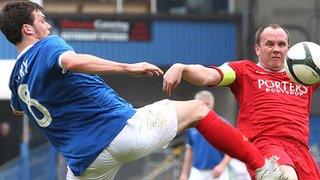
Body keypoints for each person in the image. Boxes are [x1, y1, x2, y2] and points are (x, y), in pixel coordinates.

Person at [0, 2, 284, 179]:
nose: (47, 24)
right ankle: (262, 167)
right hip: (118, 132)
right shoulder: (48, 46)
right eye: (41, 20)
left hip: (83, 162)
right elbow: (73, 61)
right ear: (28, 28)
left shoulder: (16, 81)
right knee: (198, 110)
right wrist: (128, 68)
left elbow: (17, 107)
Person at [163, 23, 320, 180]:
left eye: (281, 44)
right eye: (270, 44)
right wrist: (181, 68)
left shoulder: (305, 75)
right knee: (285, 178)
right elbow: (208, 75)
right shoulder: (243, 70)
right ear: (257, 49)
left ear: (288, 48)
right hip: (266, 145)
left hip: (301, 151)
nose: (276, 49)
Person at [179, 90, 231, 180]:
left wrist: (222, 166)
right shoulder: (191, 127)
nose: (206, 107)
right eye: (203, 104)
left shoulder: (223, 124)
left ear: (212, 104)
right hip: (197, 172)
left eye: (208, 104)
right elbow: (189, 151)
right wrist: (184, 174)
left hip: (217, 172)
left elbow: (232, 149)